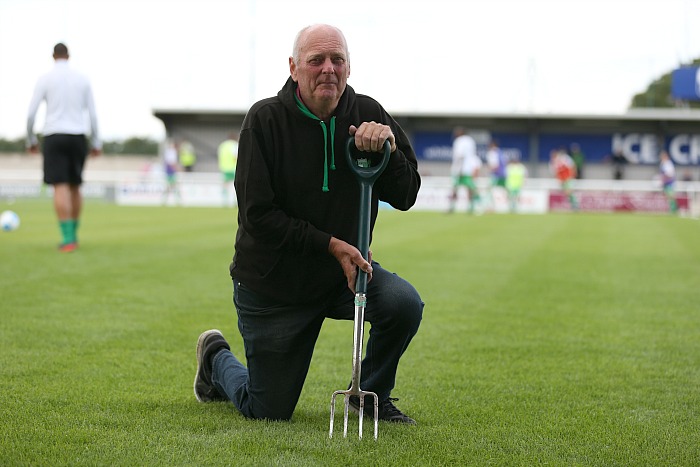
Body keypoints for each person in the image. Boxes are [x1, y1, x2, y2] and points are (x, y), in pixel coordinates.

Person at [194, 24, 423, 425]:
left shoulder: (369, 114)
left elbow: (406, 195)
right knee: (267, 411)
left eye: (338, 60)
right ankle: (215, 359)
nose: (328, 69)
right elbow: (258, 217)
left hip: (343, 278)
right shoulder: (264, 121)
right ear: (294, 67)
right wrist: (332, 244)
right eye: (316, 60)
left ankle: (368, 396)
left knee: (402, 303)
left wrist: (388, 151)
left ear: (349, 68)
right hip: (274, 284)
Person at [26, 43, 101, 252]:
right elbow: (92, 114)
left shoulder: (45, 78)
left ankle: (68, 239)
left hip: (54, 135)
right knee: (75, 185)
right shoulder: (82, 78)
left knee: (60, 185)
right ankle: (74, 236)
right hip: (78, 136)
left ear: (53, 56)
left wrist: (30, 139)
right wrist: (96, 142)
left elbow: (31, 112)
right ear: (69, 56)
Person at [448, 127, 482, 214]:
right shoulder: (470, 140)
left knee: (455, 188)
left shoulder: (459, 141)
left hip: (460, 169)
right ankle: (471, 207)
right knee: (469, 188)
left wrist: (459, 169)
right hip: (469, 169)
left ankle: (452, 206)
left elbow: (460, 155)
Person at [217, 132, 239, 207]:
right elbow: (235, 157)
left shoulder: (222, 145)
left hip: (224, 168)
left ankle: (224, 201)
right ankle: (235, 202)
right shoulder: (234, 145)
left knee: (225, 185)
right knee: (236, 185)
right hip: (233, 168)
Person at [485, 139, 507, 212]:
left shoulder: (492, 152)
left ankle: (490, 207)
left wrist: (490, 171)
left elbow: (495, 165)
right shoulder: (501, 152)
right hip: (503, 174)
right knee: (506, 190)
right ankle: (512, 207)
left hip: (496, 175)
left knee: (489, 190)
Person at [161, 139, 181, 206]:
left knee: (171, 186)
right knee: (173, 186)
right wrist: (177, 169)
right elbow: (172, 163)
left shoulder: (169, 151)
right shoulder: (172, 152)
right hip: (171, 172)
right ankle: (177, 201)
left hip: (169, 171)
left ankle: (165, 200)